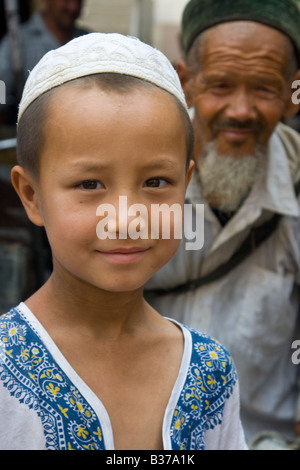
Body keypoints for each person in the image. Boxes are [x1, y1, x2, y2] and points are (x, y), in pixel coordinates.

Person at [0, 33, 247, 450]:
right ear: (32, 196)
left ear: (185, 188)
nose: (126, 218)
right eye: (90, 184)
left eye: (155, 182)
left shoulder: (211, 370)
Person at [144, 0, 300, 447]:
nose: (241, 110)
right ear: (186, 83)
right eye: (221, 85)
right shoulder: (134, 177)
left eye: (265, 89)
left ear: (293, 93)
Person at [0, 0, 87, 124]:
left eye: (78, 1)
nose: (73, 7)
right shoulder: (16, 42)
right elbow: (1, 84)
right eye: (66, 0)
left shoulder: (87, 41)